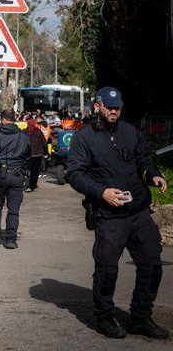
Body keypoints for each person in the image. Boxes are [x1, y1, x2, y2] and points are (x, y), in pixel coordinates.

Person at [67, 86, 168, 340]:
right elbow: (75, 174)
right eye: (109, 107)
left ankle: (140, 317)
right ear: (97, 106)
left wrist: (153, 174)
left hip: (138, 212)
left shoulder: (130, 131)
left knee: (152, 264)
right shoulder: (84, 137)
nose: (114, 111)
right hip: (109, 215)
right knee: (107, 269)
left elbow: (143, 158)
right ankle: (104, 318)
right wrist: (101, 192)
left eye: (118, 107)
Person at [0, 109, 30, 251]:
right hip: (17, 175)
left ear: (2, 120)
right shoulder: (23, 136)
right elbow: (27, 155)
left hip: (0, 175)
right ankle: (11, 239)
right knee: (14, 209)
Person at [27, 119, 46, 192]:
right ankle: (33, 186)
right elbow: (44, 143)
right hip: (37, 154)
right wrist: (46, 152)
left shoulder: (25, 132)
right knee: (35, 171)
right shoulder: (38, 132)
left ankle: (30, 185)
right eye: (35, 123)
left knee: (29, 171)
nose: (36, 124)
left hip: (29, 155)